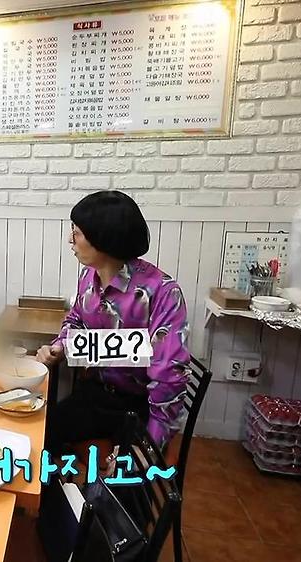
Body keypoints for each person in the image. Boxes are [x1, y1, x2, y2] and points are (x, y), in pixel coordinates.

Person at [38, 190, 190, 451]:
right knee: (38, 438)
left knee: (125, 474)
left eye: (76, 232)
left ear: (102, 239)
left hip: (140, 406)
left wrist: (147, 447)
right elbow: (76, 319)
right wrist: (60, 346)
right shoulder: (88, 276)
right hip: (94, 394)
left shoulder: (163, 292)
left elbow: (169, 379)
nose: (70, 239)